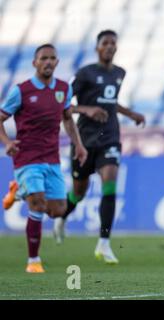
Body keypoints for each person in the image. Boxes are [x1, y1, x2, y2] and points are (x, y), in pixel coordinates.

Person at [52, 30, 145, 264]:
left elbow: (111, 102)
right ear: (97, 47)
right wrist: (87, 110)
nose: (110, 46)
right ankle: (62, 217)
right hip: (84, 140)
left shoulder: (119, 73)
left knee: (110, 181)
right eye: (105, 43)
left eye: (113, 43)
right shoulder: (85, 74)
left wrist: (130, 113)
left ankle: (104, 242)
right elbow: (64, 105)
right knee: (79, 192)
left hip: (110, 137)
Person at [0, 44, 87, 273]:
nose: (48, 62)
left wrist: (78, 145)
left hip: (52, 158)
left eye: (52, 58)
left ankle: (18, 190)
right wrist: (8, 143)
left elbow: (67, 119)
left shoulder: (63, 89)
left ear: (57, 62)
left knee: (58, 210)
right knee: (37, 204)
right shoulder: (21, 90)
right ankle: (33, 261)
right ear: (34, 62)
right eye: (43, 58)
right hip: (26, 157)